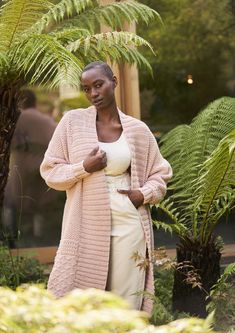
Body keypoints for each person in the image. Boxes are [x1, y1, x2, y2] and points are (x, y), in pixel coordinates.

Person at [40, 61, 172, 314]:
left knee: (125, 302)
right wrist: (84, 167)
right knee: (84, 303)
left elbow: (160, 174)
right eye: (87, 89)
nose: (93, 94)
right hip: (86, 226)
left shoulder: (137, 130)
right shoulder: (71, 123)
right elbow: (50, 172)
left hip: (129, 225)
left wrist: (142, 195)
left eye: (98, 85)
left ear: (114, 81)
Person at [3, 89, 57, 247]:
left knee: (11, 203)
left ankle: (10, 239)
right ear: (34, 102)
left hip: (20, 168)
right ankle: (39, 237)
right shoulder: (46, 121)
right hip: (42, 169)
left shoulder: (15, 120)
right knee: (39, 206)